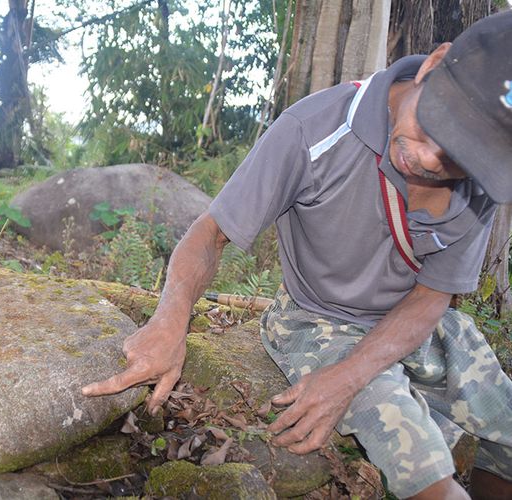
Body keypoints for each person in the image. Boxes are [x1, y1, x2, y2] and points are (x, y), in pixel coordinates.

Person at [82, 10, 512, 500]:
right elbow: (210, 233)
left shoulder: (484, 181)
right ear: (433, 64)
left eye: (459, 159)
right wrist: (170, 320)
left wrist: (348, 378)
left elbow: (432, 296)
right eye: (436, 125)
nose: (429, 160)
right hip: (319, 319)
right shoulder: (315, 129)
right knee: (426, 472)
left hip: (416, 324)